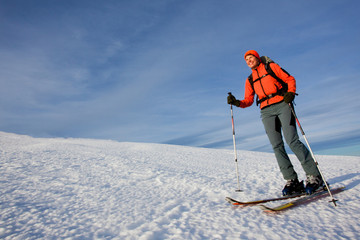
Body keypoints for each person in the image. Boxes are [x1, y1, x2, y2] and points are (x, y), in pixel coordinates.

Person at [227, 50, 323, 196]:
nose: (248, 61)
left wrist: (290, 92)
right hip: (266, 110)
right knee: (276, 145)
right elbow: (248, 100)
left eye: (250, 57)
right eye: (246, 59)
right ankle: (292, 180)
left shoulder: (271, 67)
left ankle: (314, 177)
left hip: (282, 104)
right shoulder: (250, 79)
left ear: (257, 57)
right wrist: (236, 102)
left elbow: (290, 79)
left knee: (292, 141)